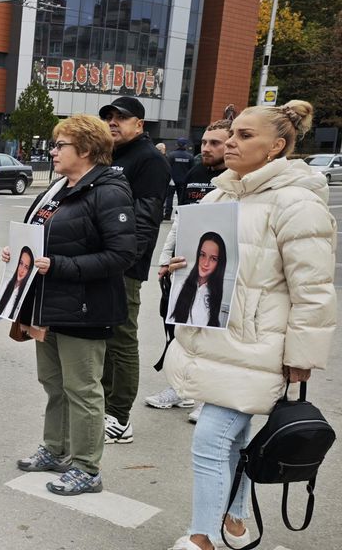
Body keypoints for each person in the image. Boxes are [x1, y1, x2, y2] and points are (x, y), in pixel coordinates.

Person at [164, 100, 336, 550]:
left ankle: (204, 537)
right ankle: (235, 525)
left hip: (257, 346)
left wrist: (301, 358)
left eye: (245, 136)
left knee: (209, 439)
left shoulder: (297, 202)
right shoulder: (220, 195)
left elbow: (313, 289)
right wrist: (175, 266)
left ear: (277, 146)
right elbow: (181, 254)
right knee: (234, 441)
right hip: (213, 339)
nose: (231, 143)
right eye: (231, 134)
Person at [11, 113, 137, 497]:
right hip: (48, 304)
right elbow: (42, 237)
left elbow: (122, 255)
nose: (52, 151)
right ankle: (55, 448)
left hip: (85, 308)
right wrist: (19, 254)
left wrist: (60, 266)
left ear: (85, 149)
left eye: (59, 145)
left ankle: (87, 467)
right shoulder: (59, 189)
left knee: (82, 389)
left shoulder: (108, 190)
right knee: (54, 384)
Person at [146, 119, 233, 412]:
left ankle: (208, 397)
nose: (206, 148)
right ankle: (179, 389)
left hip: (216, 267)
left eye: (215, 143)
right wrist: (164, 260)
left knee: (211, 333)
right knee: (180, 331)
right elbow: (180, 220)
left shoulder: (234, 179)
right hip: (185, 266)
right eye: (204, 142)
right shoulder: (196, 171)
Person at [99, 96, 171, 444]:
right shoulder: (110, 154)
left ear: (139, 124)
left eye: (121, 118)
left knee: (121, 337)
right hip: (100, 261)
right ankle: (103, 405)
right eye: (109, 117)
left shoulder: (148, 159)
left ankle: (120, 416)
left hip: (123, 265)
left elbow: (145, 218)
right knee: (102, 335)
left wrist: (126, 261)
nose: (113, 122)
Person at [169, 232, 227, 327]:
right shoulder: (180, 286)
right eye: (202, 255)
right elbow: (171, 319)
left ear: (219, 263)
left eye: (213, 258)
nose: (206, 263)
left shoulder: (219, 294)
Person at [0, 246, 35, 321]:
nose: (21, 270)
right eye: (21, 263)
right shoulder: (6, 284)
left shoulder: (25, 292)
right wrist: (8, 250)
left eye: (26, 267)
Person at [167, 138, 194, 217]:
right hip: (184, 181)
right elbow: (191, 170)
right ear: (186, 145)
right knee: (181, 199)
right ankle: (179, 214)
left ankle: (167, 215)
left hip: (172, 180)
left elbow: (167, 168)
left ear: (177, 144)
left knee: (169, 198)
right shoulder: (190, 156)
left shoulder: (171, 155)